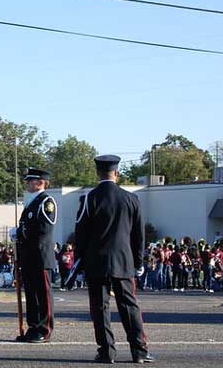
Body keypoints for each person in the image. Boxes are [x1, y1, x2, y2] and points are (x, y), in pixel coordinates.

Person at [74, 155, 155, 364]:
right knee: (129, 307)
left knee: (100, 308)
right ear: (117, 173)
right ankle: (139, 350)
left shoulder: (89, 199)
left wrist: (79, 263)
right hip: (124, 261)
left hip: (96, 261)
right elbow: (138, 236)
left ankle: (107, 351)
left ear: (97, 173)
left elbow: (80, 235)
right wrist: (138, 262)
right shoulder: (131, 199)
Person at [12, 168, 56, 343]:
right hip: (29, 256)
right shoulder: (33, 202)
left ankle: (44, 329)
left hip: (40, 256)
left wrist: (21, 231)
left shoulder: (46, 201)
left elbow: (45, 228)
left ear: (40, 182)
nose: (28, 183)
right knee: (31, 294)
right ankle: (33, 326)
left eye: (31, 181)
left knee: (43, 294)